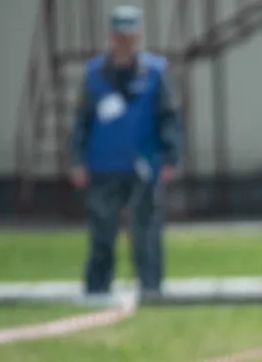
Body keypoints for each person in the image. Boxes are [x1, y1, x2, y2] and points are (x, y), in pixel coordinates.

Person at [69, 4, 182, 301]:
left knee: (146, 230)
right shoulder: (95, 73)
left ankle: (151, 287)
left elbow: (168, 116)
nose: (125, 40)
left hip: (143, 163)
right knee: (102, 231)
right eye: (120, 34)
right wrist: (77, 160)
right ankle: (96, 290)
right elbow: (82, 120)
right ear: (112, 35)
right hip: (103, 164)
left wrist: (171, 157)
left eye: (130, 35)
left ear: (138, 36)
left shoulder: (155, 72)